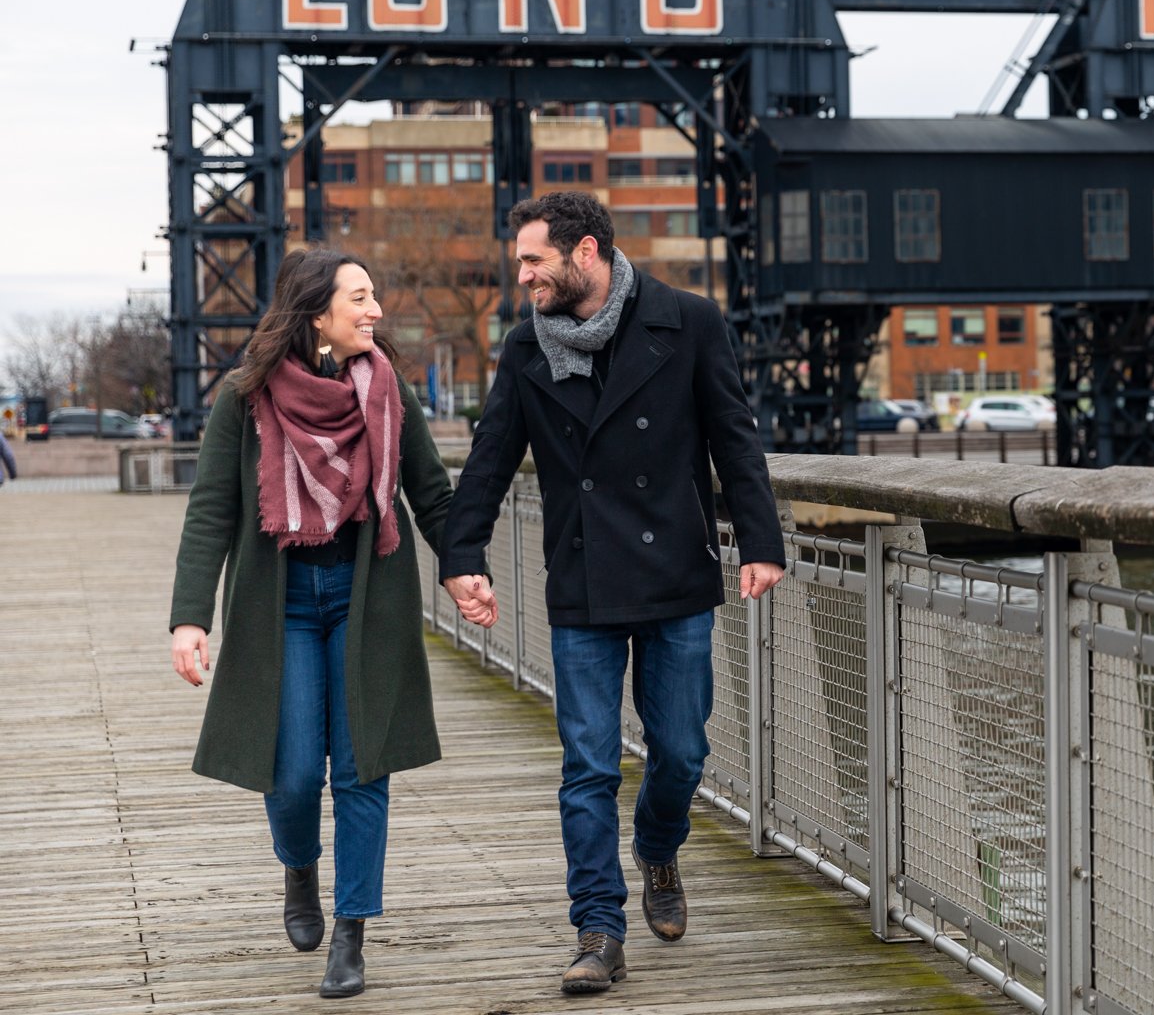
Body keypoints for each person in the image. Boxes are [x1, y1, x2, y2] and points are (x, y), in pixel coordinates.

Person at [439, 192, 786, 996]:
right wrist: (464, 554)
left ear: (585, 252)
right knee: (587, 765)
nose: (520, 275)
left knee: (682, 753)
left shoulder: (688, 322)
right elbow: (491, 456)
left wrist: (760, 542)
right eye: (520, 261)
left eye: (533, 260)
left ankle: (658, 848)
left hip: (676, 579)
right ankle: (599, 928)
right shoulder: (527, 347)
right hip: (583, 582)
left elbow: (735, 437)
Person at [167, 249, 455, 1000]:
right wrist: (190, 618)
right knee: (292, 774)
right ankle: (299, 869)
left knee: (362, 770)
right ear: (317, 313)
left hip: (367, 603)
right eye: (360, 297)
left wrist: (466, 568)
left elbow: (430, 492)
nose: (375, 311)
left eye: (374, 296)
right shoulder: (246, 397)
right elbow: (211, 511)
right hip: (282, 605)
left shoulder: (387, 392)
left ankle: (352, 934)